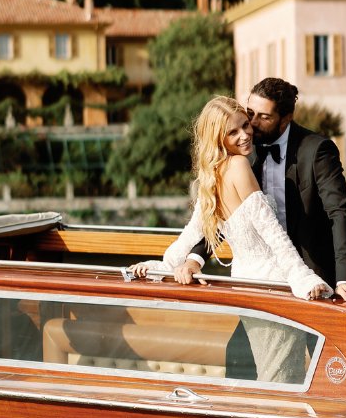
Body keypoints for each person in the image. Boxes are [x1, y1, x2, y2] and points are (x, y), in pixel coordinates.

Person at [131, 97, 334, 382]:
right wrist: (302, 277)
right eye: (233, 132)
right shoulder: (239, 166)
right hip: (273, 287)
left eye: (245, 125)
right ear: (218, 138)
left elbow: (192, 233)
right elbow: (272, 233)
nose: (245, 135)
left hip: (247, 288)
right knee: (281, 378)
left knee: (272, 372)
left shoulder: (211, 177)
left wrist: (167, 264)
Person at [179, 78, 346, 306]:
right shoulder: (242, 148)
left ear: (286, 118)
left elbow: (340, 213)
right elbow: (231, 214)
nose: (252, 124)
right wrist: (195, 258)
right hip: (261, 278)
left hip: (314, 277)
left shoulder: (316, 149)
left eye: (264, 117)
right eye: (251, 113)